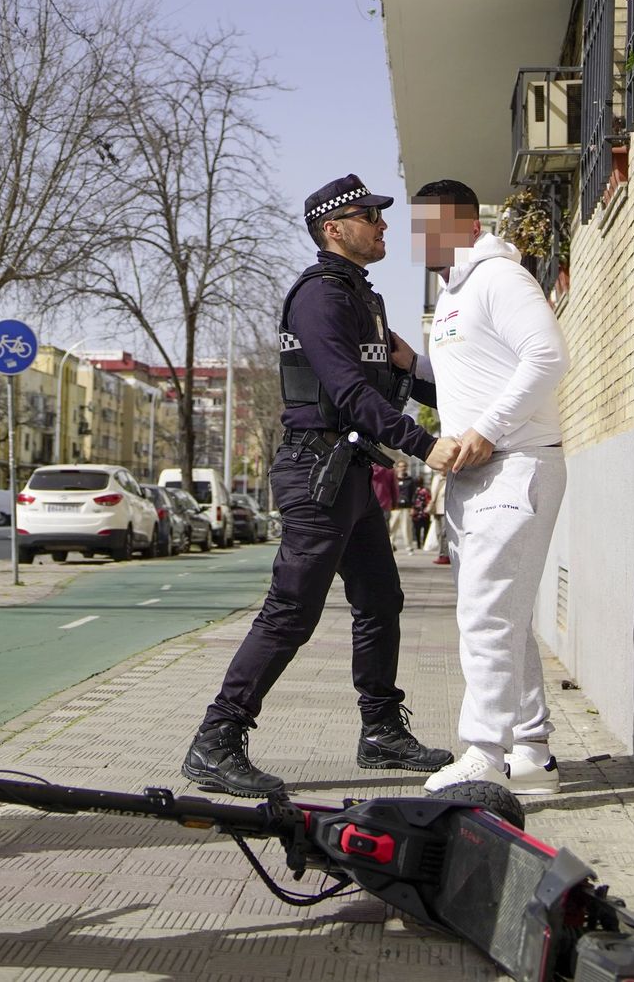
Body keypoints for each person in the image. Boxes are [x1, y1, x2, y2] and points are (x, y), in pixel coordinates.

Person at [180, 174, 458, 797]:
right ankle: (216, 739)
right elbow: (349, 392)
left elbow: (395, 377)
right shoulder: (321, 297)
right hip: (316, 470)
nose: (383, 226)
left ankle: (381, 730)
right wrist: (425, 444)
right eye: (370, 217)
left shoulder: (362, 297)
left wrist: (458, 401)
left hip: (351, 468)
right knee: (291, 610)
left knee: (380, 600)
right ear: (334, 229)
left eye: (381, 216)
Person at [407, 180, 570, 797]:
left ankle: (484, 752)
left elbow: (548, 356)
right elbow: (473, 374)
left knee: (485, 616)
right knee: (505, 616)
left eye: (434, 226)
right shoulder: (454, 294)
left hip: (516, 463)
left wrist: (488, 429)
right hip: (472, 477)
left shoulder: (500, 277)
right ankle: (531, 752)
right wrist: (411, 366)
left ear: (470, 225)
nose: (423, 240)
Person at [388, 460, 416, 551]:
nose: (402, 468)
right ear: (397, 468)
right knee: (392, 527)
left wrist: (413, 507)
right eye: (400, 466)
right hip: (394, 508)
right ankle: (390, 544)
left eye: (404, 466)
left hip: (406, 507)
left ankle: (409, 546)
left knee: (406, 528)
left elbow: (414, 494)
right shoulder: (393, 479)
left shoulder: (410, 480)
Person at [428, 470, 449, 563]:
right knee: (438, 533)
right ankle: (441, 554)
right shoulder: (436, 478)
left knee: (445, 533)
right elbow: (433, 493)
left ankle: (445, 555)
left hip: (445, 509)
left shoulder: (450, 478)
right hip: (436, 509)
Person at [410, 478, 432, 550]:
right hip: (425, 513)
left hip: (416, 513)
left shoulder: (414, 491)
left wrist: (412, 508)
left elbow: (412, 501)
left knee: (417, 530)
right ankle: (424, 542)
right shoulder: (426, 490)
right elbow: (429, 500)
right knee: (425, 529)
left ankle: (419, 544)